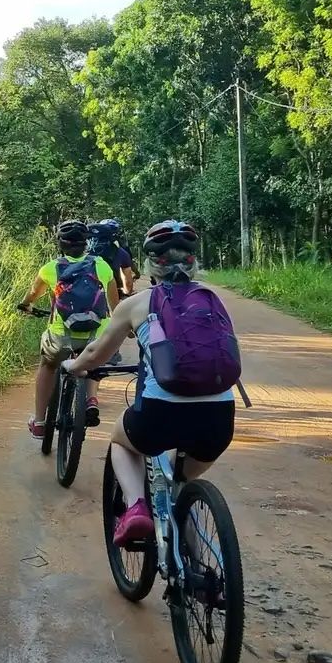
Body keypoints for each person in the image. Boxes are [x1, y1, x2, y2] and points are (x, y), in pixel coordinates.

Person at [63, 220, 236, 545]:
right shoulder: (214, 300)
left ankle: (136, 507)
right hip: (219, 418)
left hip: (159, 413)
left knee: (121, 441)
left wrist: (75, 366)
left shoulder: (136, 305)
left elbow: (96, 355)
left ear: (150, 265)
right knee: (179, 481)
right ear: (193, 261)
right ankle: (195, 568)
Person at [18, 220, 121, 438]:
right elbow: (115, 307)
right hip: (95, 336)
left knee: (47, 364)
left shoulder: (50, 268)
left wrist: (26, 305)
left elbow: (32, 296)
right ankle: (91, 399)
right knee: (93, 361)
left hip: (61, 336)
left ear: (60, 244)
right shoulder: (102, 266)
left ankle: (39, 421)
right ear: (86, 244)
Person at [87, 218, 137, 297]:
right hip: (111, 293)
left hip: (85, 292)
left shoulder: (84, 250)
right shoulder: (121, 252)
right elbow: (128, 283)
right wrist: (126, 293)